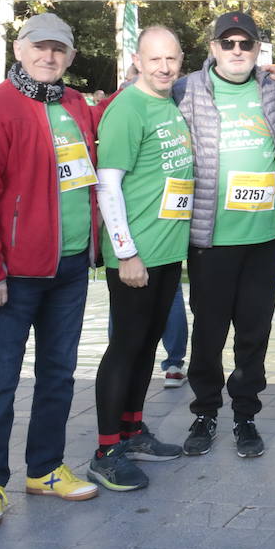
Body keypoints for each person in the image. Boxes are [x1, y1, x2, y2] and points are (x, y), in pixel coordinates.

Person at [0, 13, 101, 528]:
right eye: (40, 47)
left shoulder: (78, 105)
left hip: (71, 268)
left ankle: (44, 468)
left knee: (58, 375)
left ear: (70, 57)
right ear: (19, 49)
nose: (49, 56)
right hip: (10, 277)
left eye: (59, 49)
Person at [175, 11, 275, 460]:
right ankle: (204, 412)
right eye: (229, 43)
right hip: (211, 239)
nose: (237, 51)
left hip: (263, 238)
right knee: (207, 334)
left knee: (254, 334)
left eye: (246, 44)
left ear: (259, 49)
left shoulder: (272, 89)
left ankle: (245, 413)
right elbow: (138, 100)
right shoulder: (187, 90)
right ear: (213, 48)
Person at [89, 26, 193, 491]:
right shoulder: (127, 108)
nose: (164, 67)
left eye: (171, 59)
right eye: (155, 59)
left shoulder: (166, 103)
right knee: (126, 348)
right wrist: (126, 253)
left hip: (168, 251)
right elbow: (107, 185)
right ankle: (107, 450)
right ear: (137, 59)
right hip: (138, 255)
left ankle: (131, 431)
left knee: (147, 346)